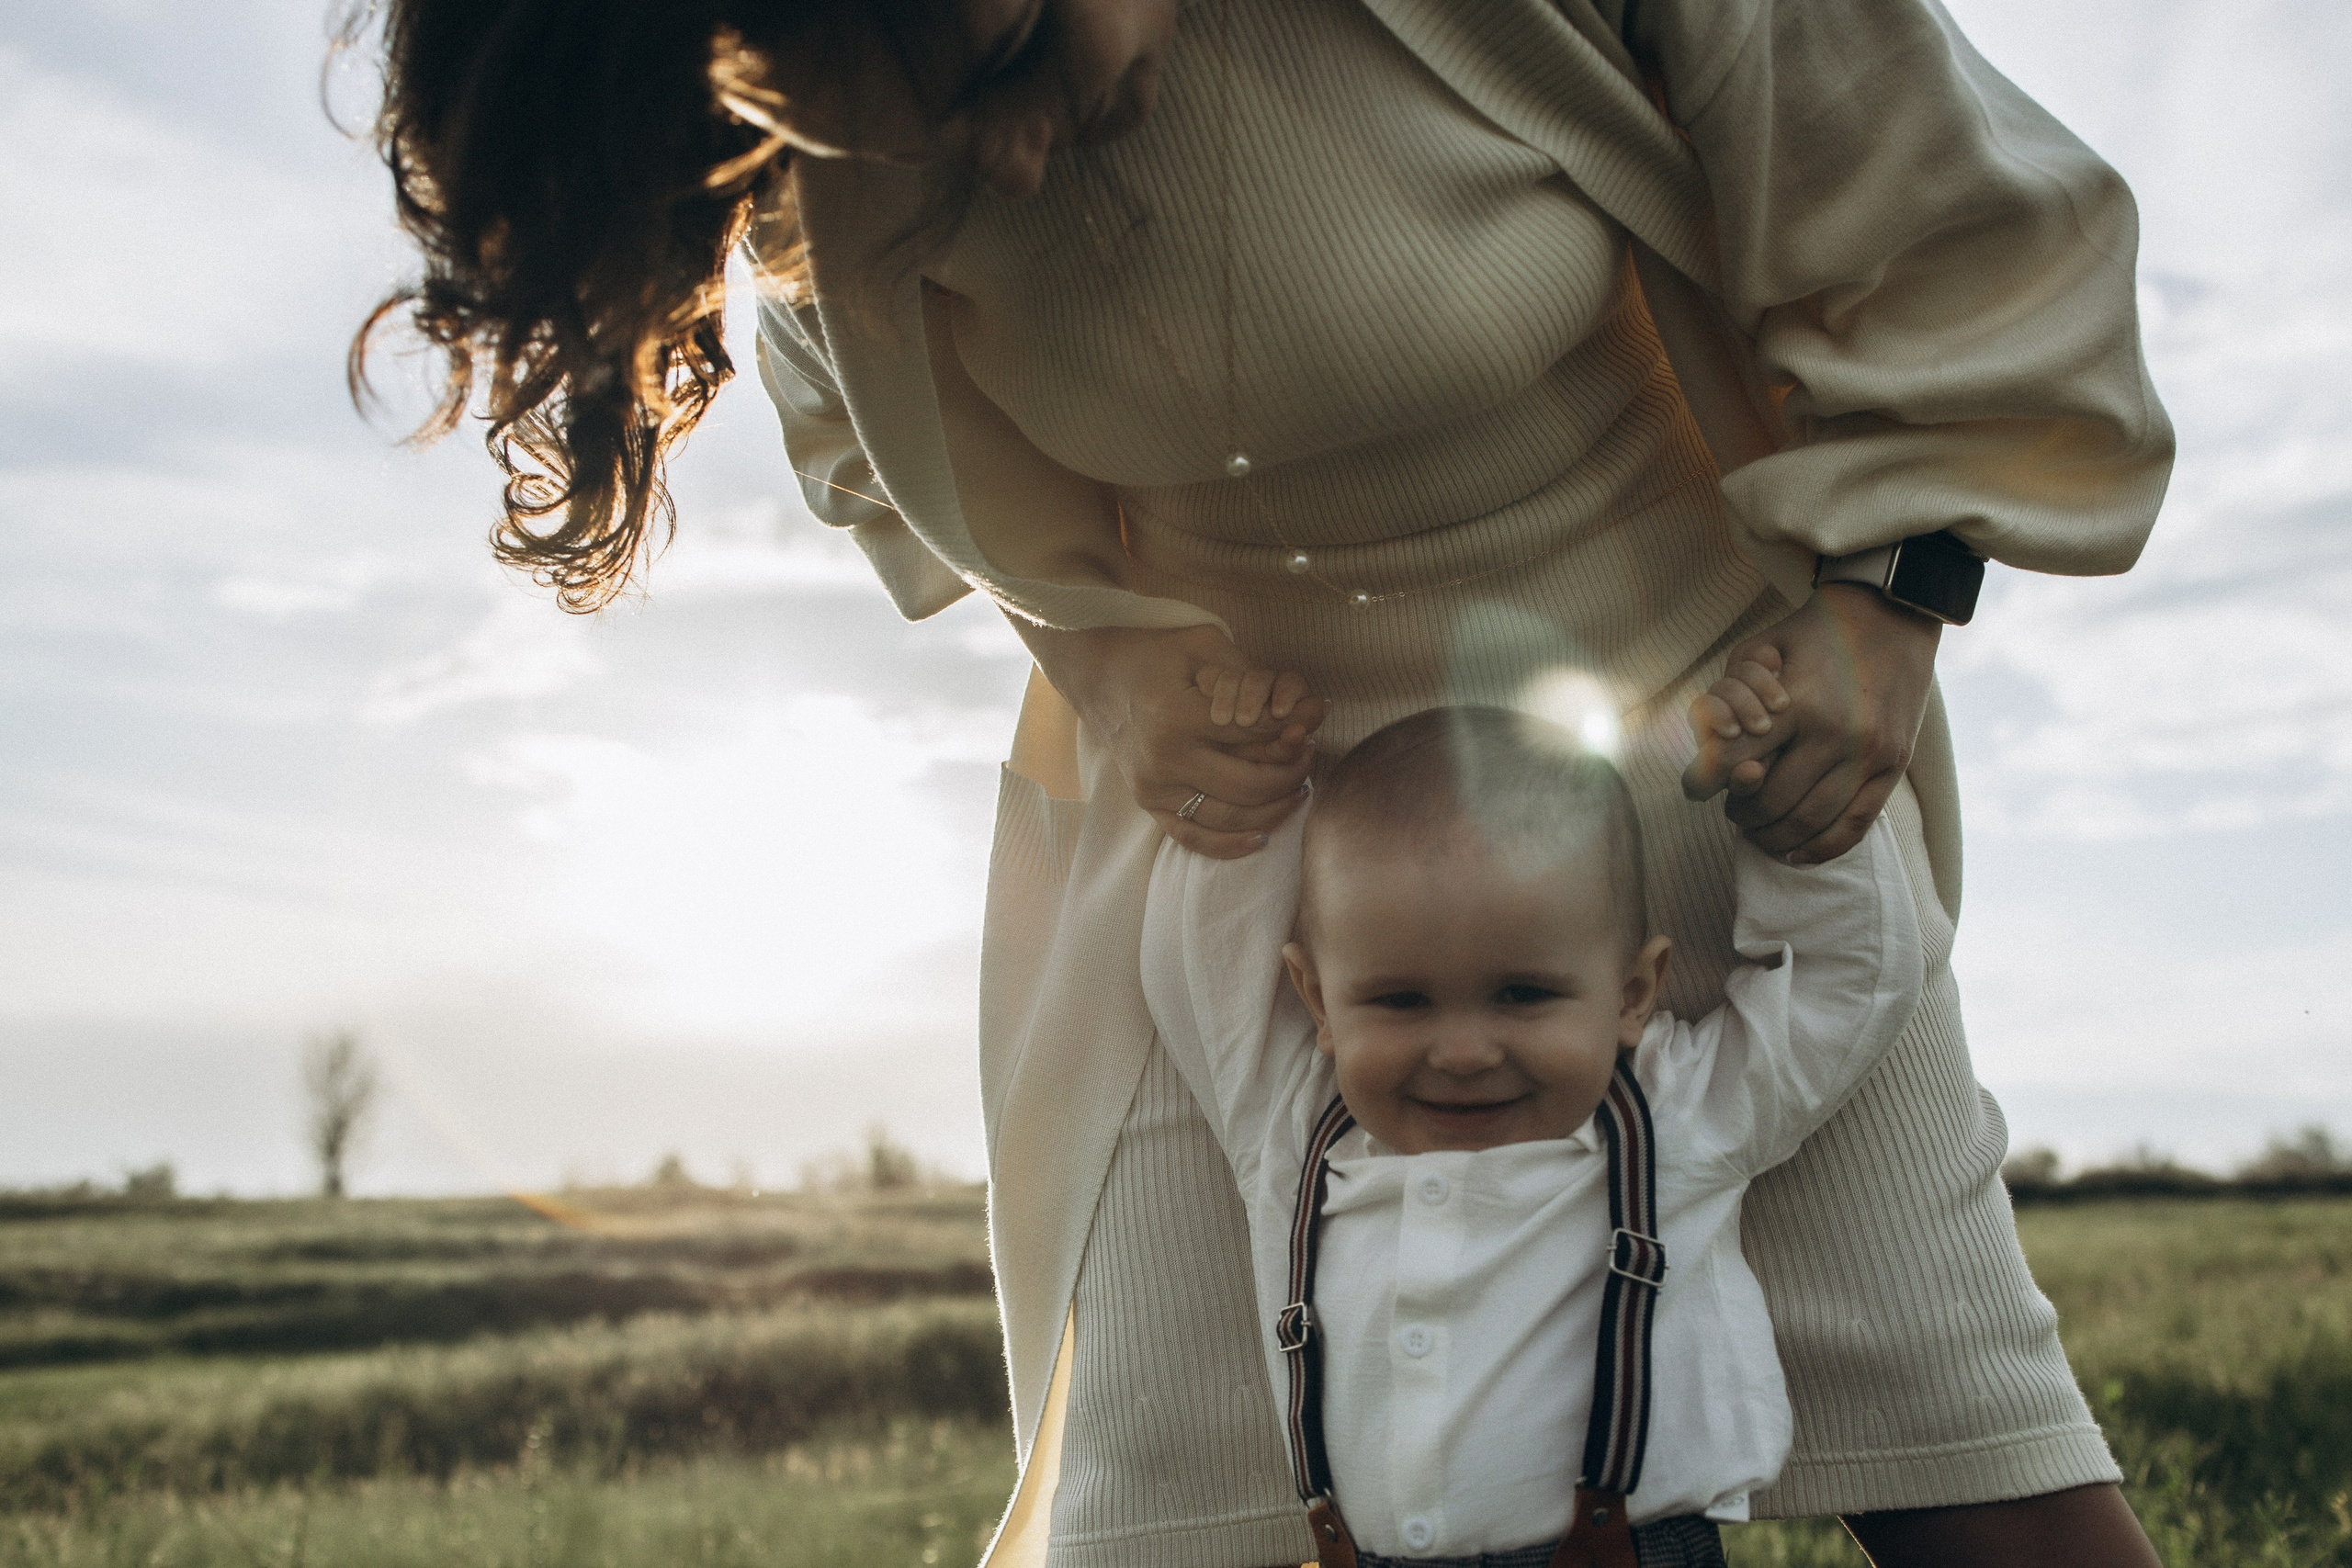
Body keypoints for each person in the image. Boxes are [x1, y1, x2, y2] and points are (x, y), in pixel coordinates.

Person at [356, 0, 2175, 1563]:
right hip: (1237, 870)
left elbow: (1938, 228)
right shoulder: (841, 101)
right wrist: (1114, 665)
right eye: (891, 124)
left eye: (1004, 51)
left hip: (1692, 764)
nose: (993, 159)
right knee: (1180, 1495)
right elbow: (851, 427)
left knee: (1966, 1455)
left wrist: (1887, 605)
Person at [1143, 704, 1928, 1568]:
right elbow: (1203, 969)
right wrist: (1237, 776)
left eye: (1523, 994)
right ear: (1319, 1001)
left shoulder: (1671, 1113)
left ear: (1634, 991)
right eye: (1400, 1000)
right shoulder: (1296, 1134)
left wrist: (1794, 819)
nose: (1465, 1052)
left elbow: (1851, 983)